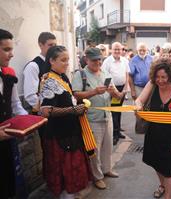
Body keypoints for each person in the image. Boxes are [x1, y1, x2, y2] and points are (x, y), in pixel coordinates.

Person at [135, 58, 171, 199]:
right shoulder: (152, 85)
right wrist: (138, 106)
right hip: (153, 133)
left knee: (168, 168)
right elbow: (139, 100)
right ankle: (162, 185)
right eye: (157, 77)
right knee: (155, 162)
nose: (160, 80)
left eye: (163, 77)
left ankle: (168, 195)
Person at [39, 46, 91, 199]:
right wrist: (74, 110)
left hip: (71, 132)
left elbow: (68, 102)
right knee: (63, 174)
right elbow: (46, 111)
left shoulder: (63, 77)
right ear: (52, 61)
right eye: (63, 60)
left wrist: (79, 107)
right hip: (59, 135)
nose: (67, 63)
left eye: (68, 60)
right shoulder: (49, 80)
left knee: (73, 174)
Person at [72, 47, 121, 190]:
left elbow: (117, 95)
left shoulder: (105, 72)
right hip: (92, 118)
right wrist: (94, 92)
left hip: (107, 116)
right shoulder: (80, 74)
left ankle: (106, 169)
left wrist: (115, 93)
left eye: (100, 59)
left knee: (107, 146)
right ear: (87, 60)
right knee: (95, 150)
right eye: (94, 60)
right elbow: (76, 95)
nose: (98, 62)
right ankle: (97, 177)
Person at [0, 28, 27, 199]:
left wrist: (30, 121)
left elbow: (16, 105)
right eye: (6, 49)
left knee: (8, 185)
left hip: (7, 142)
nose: (11, 55)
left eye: (12, 49)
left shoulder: (9, 74)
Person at [102, 42, 129, 145]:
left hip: (122, 88)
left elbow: (127, 75)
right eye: (115, 49)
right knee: (114, 112)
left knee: (119, 110)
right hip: (112, 89)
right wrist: (115, 92)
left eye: (119, 49)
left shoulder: (125, 61)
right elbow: (106, 78)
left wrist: (125, 90)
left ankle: (118, 130)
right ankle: (114, 134)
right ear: (111, 50)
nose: (117, 51)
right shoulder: (107, 62)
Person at [23, 32, 56, 113]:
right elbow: (30, 96)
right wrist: (46, 110)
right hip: (42, 113)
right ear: (40, 45)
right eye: (50, 45)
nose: (53, 48)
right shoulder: (33, 66)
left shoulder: (54, 63)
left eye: (55, 45)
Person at [129, 42, 153, 134]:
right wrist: (132, 90)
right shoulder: (133, 60)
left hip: (149, 86)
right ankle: (139, 129)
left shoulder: (151, 58)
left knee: (149, 107)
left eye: (144, 50)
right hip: (138, 87)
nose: (142, 52)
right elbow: (130, 76)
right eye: (140, 50)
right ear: (137, 50)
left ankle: (148, 128)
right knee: (138, 108)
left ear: (147, 50)